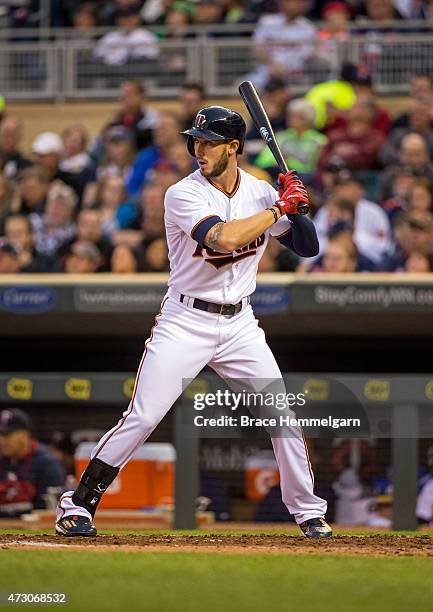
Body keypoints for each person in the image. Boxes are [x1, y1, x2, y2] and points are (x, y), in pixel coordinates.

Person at [55, 105, 332, 538]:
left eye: (209, 142)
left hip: (240, 323)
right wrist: (280, 209)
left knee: (282, 415)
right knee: (144, 415)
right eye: (196, 141)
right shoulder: (183, 193)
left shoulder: (259, 193)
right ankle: (78, 504)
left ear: (234, 148)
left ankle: (308, 512)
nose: (198, 149)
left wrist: (298, 208)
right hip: (185, 318)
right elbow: (223, 237)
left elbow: (308, 247)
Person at [0, 409, 64, 516]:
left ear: (24, 435)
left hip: (34, 528)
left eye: (7, 435)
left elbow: (50, 511)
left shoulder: (47, 463)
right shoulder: (3, 459)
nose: (2, 440)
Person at [254, 98, 327, 182]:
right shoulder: (280, 137)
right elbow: (262, 162)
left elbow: (314, 167)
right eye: (291, 115)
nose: (292, 119)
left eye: (299, 117)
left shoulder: (319, 140)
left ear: (308, 119)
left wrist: (289, 160)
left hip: (304, 178)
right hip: (278, 175)